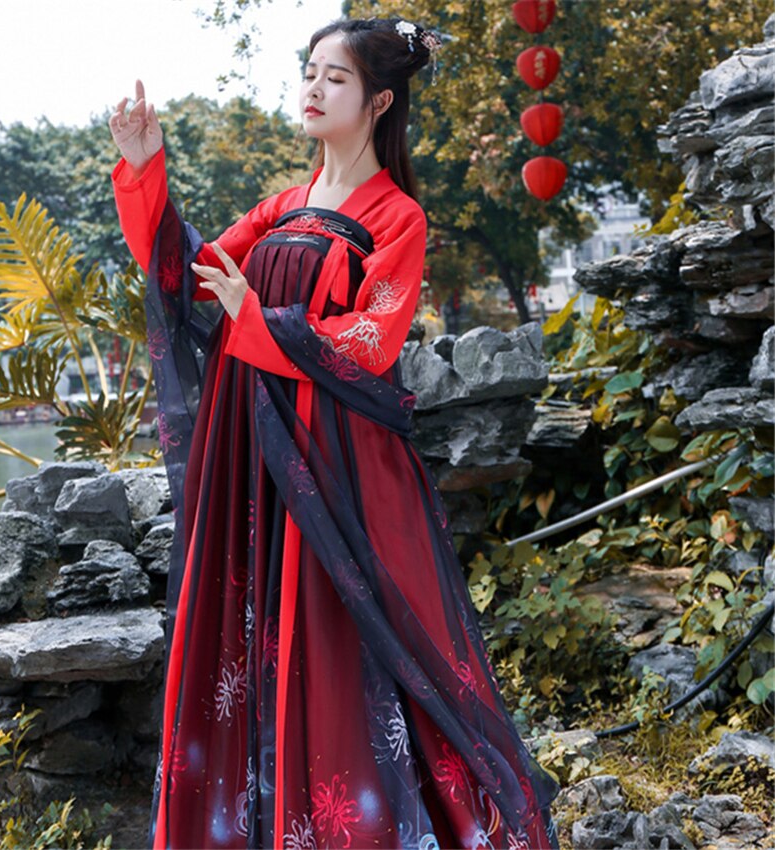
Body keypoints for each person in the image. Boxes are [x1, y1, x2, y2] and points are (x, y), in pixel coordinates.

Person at [109, 17, 560, 850]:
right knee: (255, 632)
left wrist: (259, 318)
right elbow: (187, 274)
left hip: (336, 458)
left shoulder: (397, 218)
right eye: (309, 72)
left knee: (342, 637)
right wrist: (144, 171)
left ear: (381, 99)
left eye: (336, 79)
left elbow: (371, 340)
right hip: (251, 454)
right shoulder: (282, 206)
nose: (313, 89)